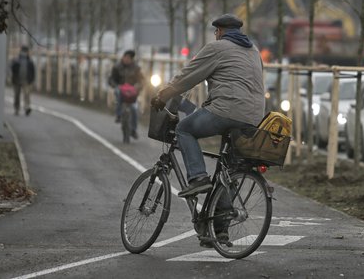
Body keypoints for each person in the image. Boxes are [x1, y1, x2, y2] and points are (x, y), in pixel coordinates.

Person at [152, 14, 265, 198]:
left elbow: (188, 76)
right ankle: (221, 222)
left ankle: (198, 178)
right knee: (228, 169)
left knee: (184, 129)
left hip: (227, 111)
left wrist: (163, 95)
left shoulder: (217, 48)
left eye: (216, 32)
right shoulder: (254, 50)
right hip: (254, 117)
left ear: (220, 31)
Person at [108, 50, 145, 138]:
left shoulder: (136, 68)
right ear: (123, 57)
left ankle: (133, 130)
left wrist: (137, 87)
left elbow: (142, 81)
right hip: (120, 89)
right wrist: (116, 86)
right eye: (126, 57)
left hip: (132, 92)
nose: (127, 59)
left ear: (132, 59)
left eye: (129, 58)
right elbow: (111, 79)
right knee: (118, 92)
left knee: (134, 109)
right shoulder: (117, 67)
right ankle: (118, 114)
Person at [11, 45, 36, 116]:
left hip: (26, 81)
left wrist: (32, 80)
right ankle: (17, 108)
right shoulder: (16, 60)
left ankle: (26, 107)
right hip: (17, 80)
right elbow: (13, 69)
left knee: (26, 95)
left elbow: (33, 72)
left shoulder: (29, 61)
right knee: (17, 95)